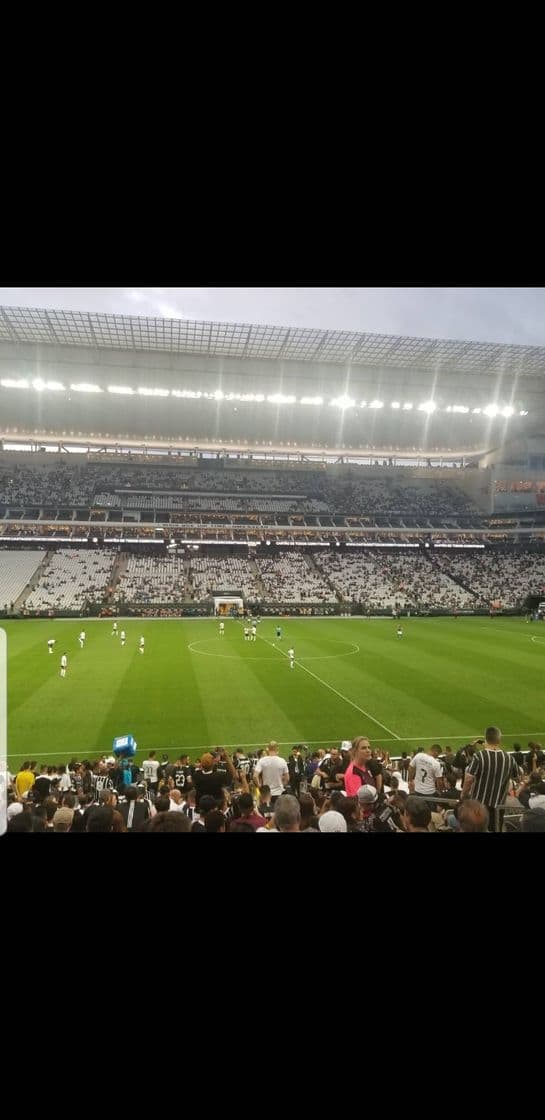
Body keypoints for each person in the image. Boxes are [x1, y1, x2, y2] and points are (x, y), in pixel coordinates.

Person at [461, 726, 519, 832]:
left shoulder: (479, 756)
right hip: (498, 806)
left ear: (486, 738)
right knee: (495, 829)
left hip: (479, 806)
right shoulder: (510, 759)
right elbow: (517, 776)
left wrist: (463, 794)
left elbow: (469, 778)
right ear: (499, 740)